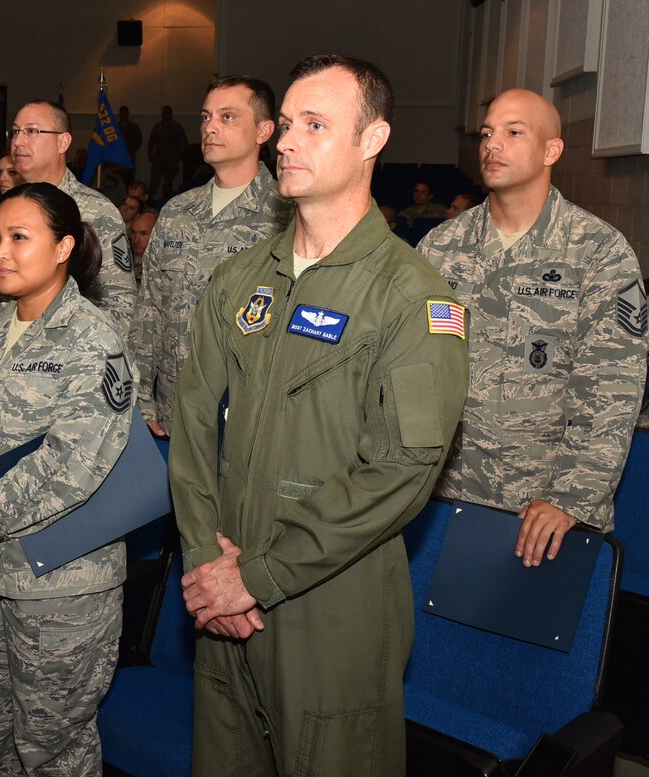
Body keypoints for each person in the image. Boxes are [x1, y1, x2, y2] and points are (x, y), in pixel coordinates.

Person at [171, 55, 468, 777]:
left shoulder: (411, 296)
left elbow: (401, 470)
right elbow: (189, 429)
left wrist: (259, 575)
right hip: (223, 593)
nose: (288, 142)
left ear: (373, 140)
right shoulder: (238, 279)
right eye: (289, 124)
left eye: (315, 124)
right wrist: (209, 566)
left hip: (332, 608)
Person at [0, 182, 135, 775]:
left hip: (57, 583)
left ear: (64, 247)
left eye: (19, 237)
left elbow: (70, 465)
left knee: (51, 747)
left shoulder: (95, 341)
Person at [419, 88, 647, 565]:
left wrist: (571, 497)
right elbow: (414, 367)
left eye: (513, 132)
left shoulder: (598, 252)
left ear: (551, 151)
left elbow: (613, 389)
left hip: (542, 513)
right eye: (486, 133)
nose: (491, 144)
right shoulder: (441, 248)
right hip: (440, 496)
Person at [129, 75, 293, 439]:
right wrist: (141, 398)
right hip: (173, 416)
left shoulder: (287, 217)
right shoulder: (176, 211)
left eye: (227, 117)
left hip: (251, 424)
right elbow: (149, 311)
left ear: (264, 131)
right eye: (205, 117)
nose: (210, 128)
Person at [9, 100, 135, 336]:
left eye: (32, 131)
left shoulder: (97, 212)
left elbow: (119, 304)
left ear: (63, 142)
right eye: (15, 131)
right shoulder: (2, 211)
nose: (18, 141)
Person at [147, 105, 187, 201]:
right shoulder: (158, 126)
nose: (166, 114)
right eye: (164, 112)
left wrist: (180, 155)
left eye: (168, 112)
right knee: (154, 181)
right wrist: (150, 154)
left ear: (171, 114)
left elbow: (184, 141)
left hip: (171, 158)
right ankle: (149, 199)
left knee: (168, 182)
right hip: (158, 158)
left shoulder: (176, 126)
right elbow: (151, 141)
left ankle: (166, 201)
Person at [129, 209, 157, 285]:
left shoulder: (160, 264)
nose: (136, 240)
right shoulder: (122, 255)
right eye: (134, 233)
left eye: (143, 234)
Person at [117, 105, 142, 183]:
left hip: (129, 155)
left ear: (127, 114)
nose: (123, 115)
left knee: (129, 178)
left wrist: (132, 149)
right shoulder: (115, 127)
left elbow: (139, 140)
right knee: (118, 178)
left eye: (124, 113)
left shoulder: (133, 127)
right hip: (117, 156)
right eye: (121, 113)